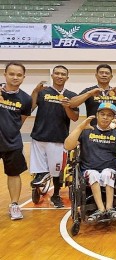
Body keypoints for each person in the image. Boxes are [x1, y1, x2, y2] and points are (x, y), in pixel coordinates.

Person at [64, 103, 116, 222]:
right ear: (97, 115)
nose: (105, 117)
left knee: (107, 173)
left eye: (109, 115)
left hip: (111, 168)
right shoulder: (87, 131)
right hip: (89, 169)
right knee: (93, 173)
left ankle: (109, 208)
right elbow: (68, 145)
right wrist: (80, 127)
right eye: (102, 114)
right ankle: (101, 209)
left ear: (114, 118)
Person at [30, 65, 79, 208]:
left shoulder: (71, 95)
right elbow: (31, 108)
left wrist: (67, 107)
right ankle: (40, 183)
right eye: (57, 73)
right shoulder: (43, 92)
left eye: (63, 74)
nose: (59, 76)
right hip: (39, 135)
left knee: (57, 171)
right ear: (52, 76)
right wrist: (34, 91)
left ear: (67, 78)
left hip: (59, 138)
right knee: (40, 170)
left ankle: (56, 194)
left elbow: (75, 118)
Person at [0, 62, 32, 220]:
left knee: (14, 174)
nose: (15, 77)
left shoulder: (26, 99)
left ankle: (14, 205)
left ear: (23, 77)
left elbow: (20, 121)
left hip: (12, 143)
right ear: (5, 74)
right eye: (11, 74)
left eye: (19, 75)